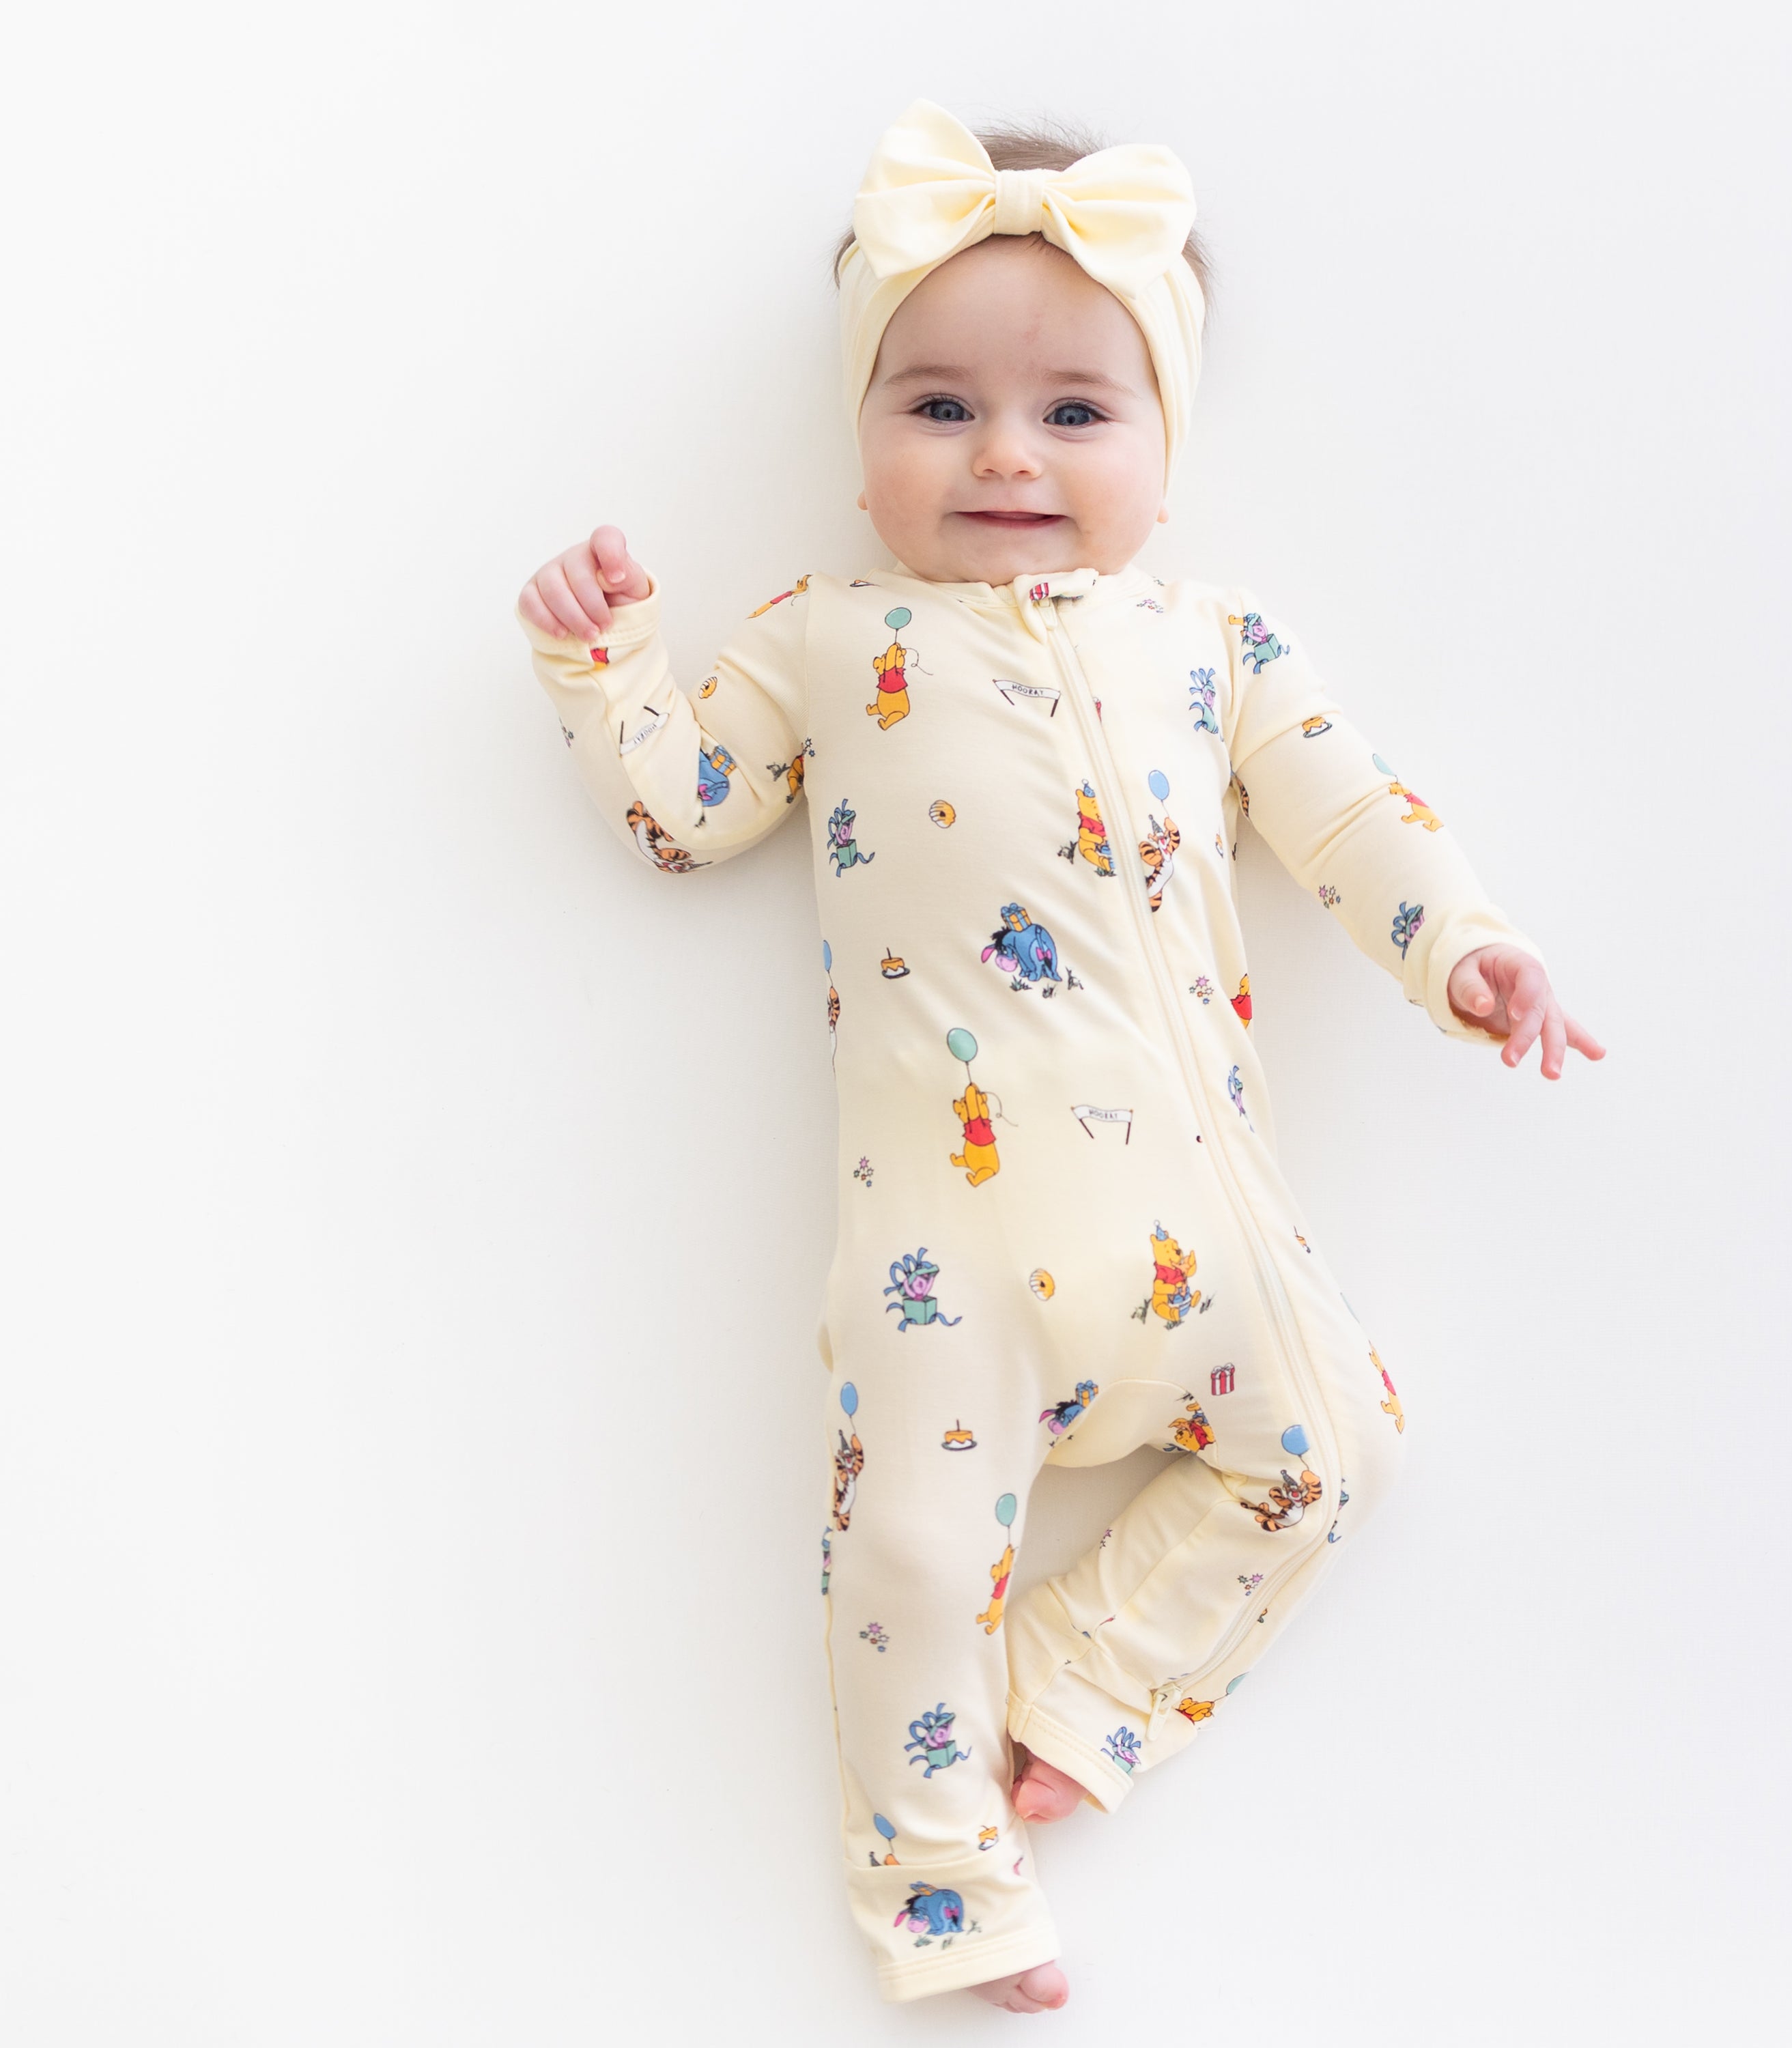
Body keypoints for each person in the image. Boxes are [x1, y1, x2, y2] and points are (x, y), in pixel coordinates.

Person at [514, 98, 1604, 2015]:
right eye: (937, 408)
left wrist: (1476, 953)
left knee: (1337, 1445)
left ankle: (1080, 1693)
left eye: (1076, 415)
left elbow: (1354, 825)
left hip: (1204, 1230)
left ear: (1165, 455)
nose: (1006, 453)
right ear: (859, 448)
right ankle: (947, 1893)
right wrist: (609, 668)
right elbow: (684, 812)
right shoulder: (831, 642)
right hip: (945, 1255)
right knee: (910, 1560)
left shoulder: (1220, 647)